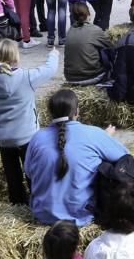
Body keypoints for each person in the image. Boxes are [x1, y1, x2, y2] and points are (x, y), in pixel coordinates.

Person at [24, 89, 128, 226]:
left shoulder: (37, 137)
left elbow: (29, 172)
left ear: (50, 112)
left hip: (43, 215)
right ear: (77, 112)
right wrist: (104, 137)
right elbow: (125, 157)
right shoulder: (93, 134)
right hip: (82, 216)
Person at [0, 39, 61, 205]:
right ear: (16, 57)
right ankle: (36, 202)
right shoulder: (26, 77)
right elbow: (50, 69)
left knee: (12, 175)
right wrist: (53, 54)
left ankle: (17, 203)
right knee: (32, 172)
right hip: (28, 137)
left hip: (4, 139)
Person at [60, 2, 110, 86]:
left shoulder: (70, 31)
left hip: (70, 78)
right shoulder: (95, 30)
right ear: (88, 14)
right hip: (91, 76)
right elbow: (110, 45)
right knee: (107, 52)